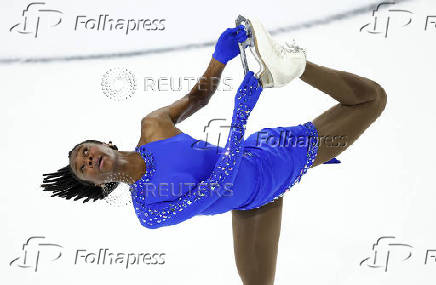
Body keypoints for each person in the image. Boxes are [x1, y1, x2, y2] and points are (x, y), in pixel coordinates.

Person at [41, 22, 387, 284]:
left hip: (268, 163)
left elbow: (197, 98)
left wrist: (219, 59)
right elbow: (216, 188)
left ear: (106, 144)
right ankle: (290, 67)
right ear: (99, 186)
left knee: (371, 98)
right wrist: (239, 117)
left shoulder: (153, 126)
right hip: (250, 203)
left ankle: (294, 66)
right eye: (83, 168)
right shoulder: (148, 210)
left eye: (85, 151)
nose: (87, 159)